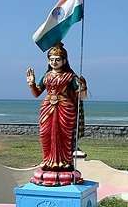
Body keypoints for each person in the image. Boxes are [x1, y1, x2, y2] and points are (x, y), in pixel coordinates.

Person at [26, 42, 87, 172]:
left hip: (65, 108)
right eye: (51, 59)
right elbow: (37, 93)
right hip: (47, 107)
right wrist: (31, 84)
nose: (54, 62)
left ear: (64, 61)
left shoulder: (70, 76)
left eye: (57, 59)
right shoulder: (47, 76)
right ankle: (48, 160)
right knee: (45, 134)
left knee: (64, 136)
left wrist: (83, 87)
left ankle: (65, 162)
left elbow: (82, 96)